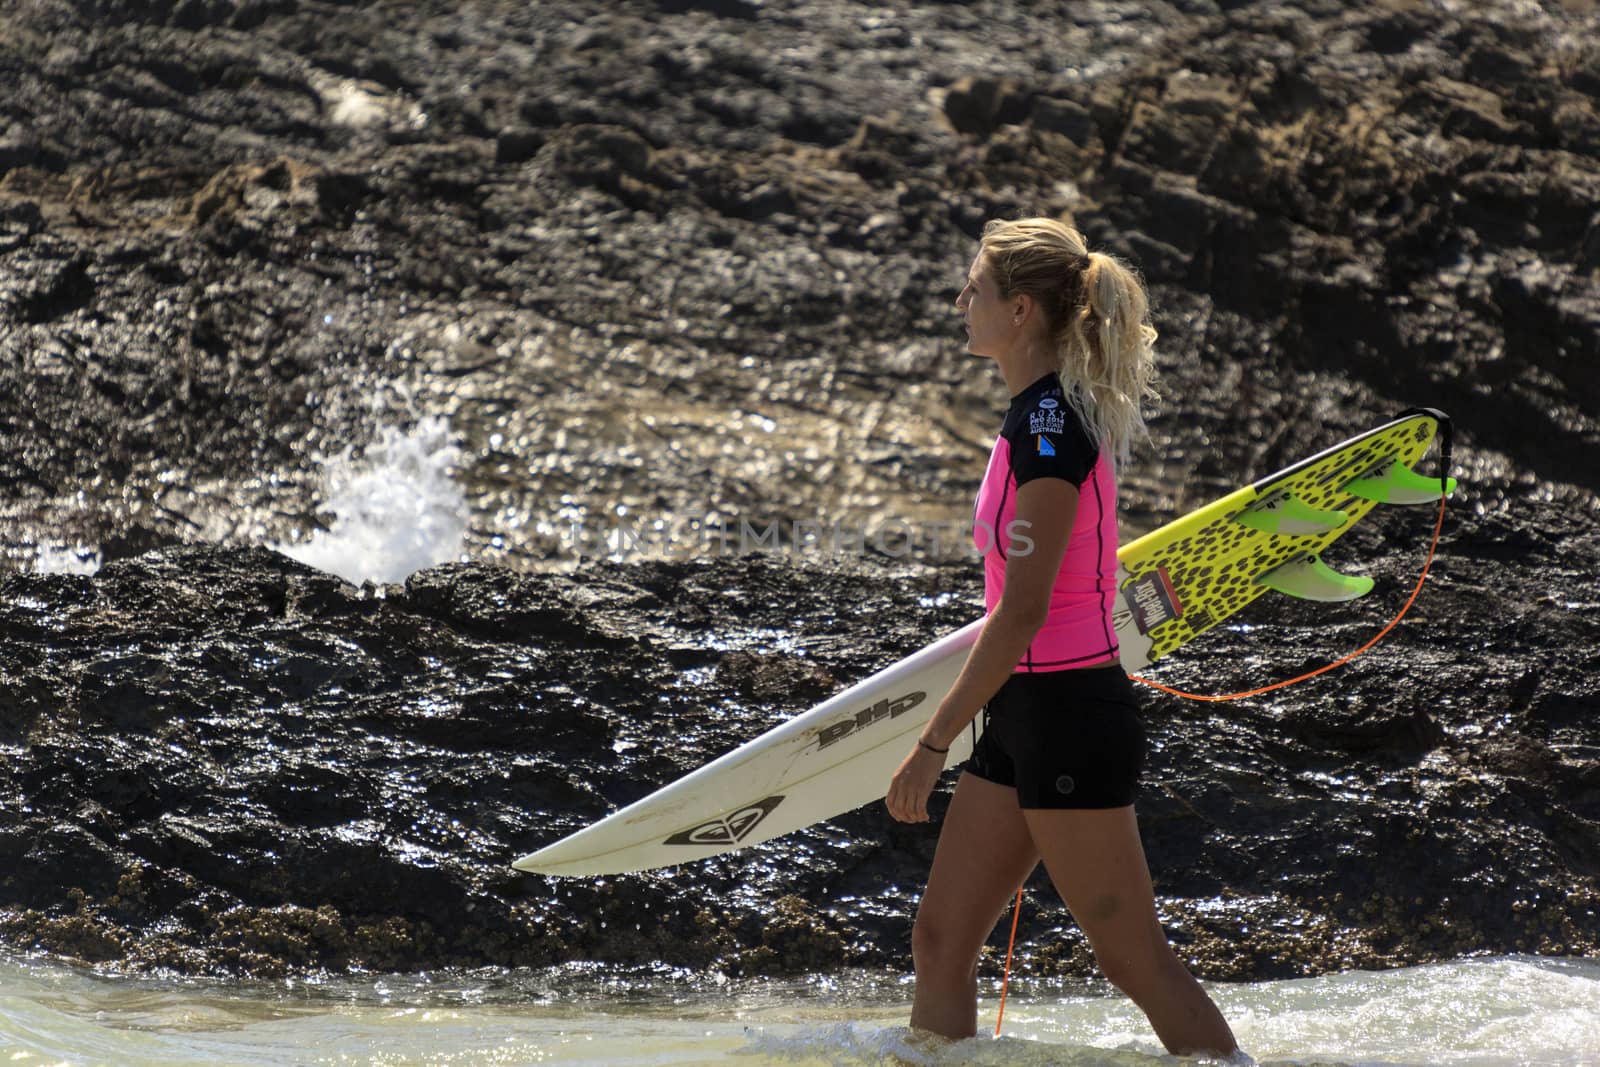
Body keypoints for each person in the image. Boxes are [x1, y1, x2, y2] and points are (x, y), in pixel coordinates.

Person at [885, 217, 1240, 1057]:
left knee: (1135, 962)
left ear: (1018, 311)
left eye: (973, 287)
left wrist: (932, 742)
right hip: (1025, 712)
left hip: (1072, 712)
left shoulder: (1051, 433)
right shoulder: (1033, 416)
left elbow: (1023, 612)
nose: (958, 300)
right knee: (940, 939)